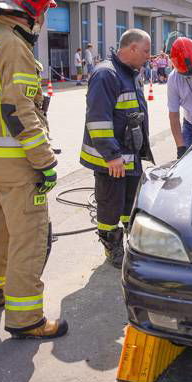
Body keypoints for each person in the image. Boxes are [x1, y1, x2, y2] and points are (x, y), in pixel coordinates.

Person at [0, 0, 67, 339]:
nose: (42, 21)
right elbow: (19, 111)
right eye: (42, 14)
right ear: (31, 11)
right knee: (29, 237)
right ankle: (27, 318)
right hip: (18, 165)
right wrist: (45, 161)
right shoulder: (15, 47)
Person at [81, 29, 153, 268]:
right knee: (110, 206)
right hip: (112, 160)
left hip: (129, 155)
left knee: (129, 204)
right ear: (131, 48)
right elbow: (98, 120)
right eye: (146, 50)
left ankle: (130, 242)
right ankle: (111, 247)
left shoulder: (129, 73)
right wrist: (112, 157)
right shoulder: (105, 74)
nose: (149, 56)